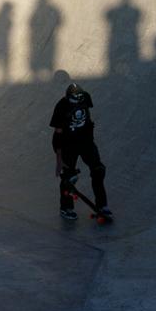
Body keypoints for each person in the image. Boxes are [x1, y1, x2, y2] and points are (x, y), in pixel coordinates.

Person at [50, 82, 110, 221]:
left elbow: (88, 118)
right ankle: (66, 208)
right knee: (68, 178)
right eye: (73, 101)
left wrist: (90, 139)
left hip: (85, 141)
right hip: (67, 144)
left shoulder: (86, 98)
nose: (76, 104)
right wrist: (59, 159)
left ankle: (102, 205)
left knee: (98, 170)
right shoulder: (61, 107)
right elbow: (57, 134)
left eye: (79, 101)